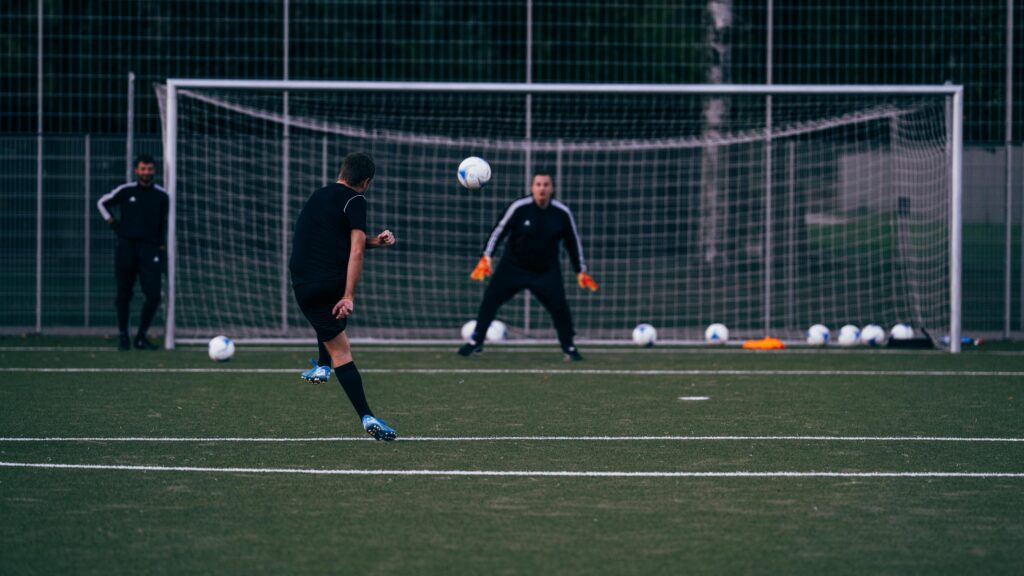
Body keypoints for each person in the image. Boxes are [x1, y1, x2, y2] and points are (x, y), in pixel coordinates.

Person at [289, 152, 399, 441]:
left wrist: (375, 240)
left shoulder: (318, 195)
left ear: (342, 171)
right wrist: (348, 295)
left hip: (302, 284)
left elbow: (338, 241)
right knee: (342, 351)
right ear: (366, 182)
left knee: (326, 318)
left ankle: (323, 367)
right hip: (330, 282)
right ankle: (367, 416)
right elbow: (356, 251)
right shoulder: (356, 199)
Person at [459, 171, 598, 361]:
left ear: (552, 189)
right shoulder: (519, 207)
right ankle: (476, 342)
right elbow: (499, 230)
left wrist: (580, 270)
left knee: (560, 308)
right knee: (490, 301)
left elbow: (573, 242)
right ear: (532, 187)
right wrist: (486, 256)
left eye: (546, 185)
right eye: (538, 184)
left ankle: (569, 347)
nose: (542, 188)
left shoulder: (561, 213)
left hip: (546, 271)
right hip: (513, 267)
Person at [96, 154, 168, 351]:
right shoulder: (126, 191)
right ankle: (123, 337)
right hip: (126, 248)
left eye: (149, 169)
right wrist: (113, 224)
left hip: (150, 249)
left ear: (154, 170)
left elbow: (163, 226)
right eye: (142, 169)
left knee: (153, 295)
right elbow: (101, 203)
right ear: (136, 170)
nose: (146, 173)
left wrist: (161, 251)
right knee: (124, 294)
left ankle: (141, 337)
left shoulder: (162, 196)